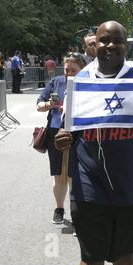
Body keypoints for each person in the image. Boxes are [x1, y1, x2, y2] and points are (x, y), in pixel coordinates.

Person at [54, 21, 133, 265]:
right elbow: (70, 131)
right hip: (90, 187)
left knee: (124, 258)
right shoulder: (81, 80)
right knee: (91, 258)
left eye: (117, 40)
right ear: (94, 44)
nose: (110, 45)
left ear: (126, 46)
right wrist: (63, 138)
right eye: (104, 40)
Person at [36, 52, 86, 225]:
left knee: (74, 175)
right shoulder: (56, 81)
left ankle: (76, 215)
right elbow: (39, 105)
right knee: (59, 175)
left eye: (73, 70)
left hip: (79, 132)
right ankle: (59, 208)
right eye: (66, 70)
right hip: (55, 131)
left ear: (82, 69)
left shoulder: (88, 83)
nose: (69, 73)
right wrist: (49, 104)